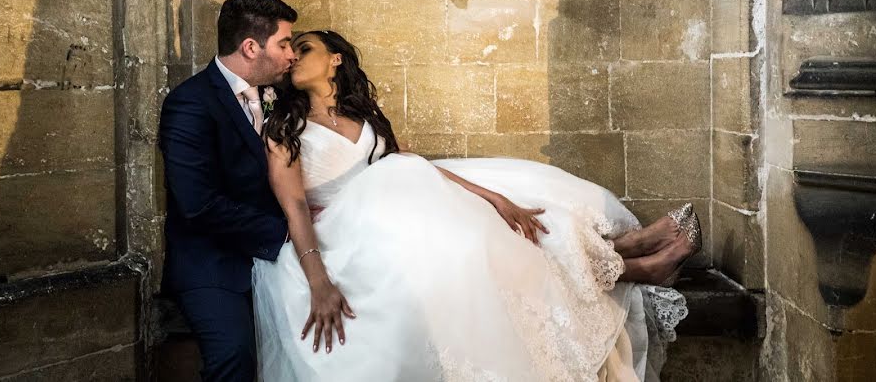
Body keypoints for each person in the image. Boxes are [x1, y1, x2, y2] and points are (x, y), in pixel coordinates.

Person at [253, 30, 701, 381]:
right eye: (290, 48)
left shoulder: (364, 114)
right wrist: (318, 280)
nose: (293, 56)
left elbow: (414, 167)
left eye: (304, 47)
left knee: (514, 218)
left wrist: (495, 198)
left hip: (407, 207)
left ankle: (628, 249)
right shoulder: (285, 127)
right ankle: (634, 266)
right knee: (475, 249)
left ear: (335, 59)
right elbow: (293, 206)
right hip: (353, 234)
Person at [158, 0, 298, 381]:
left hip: (276, 258)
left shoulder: (280, 94)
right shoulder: (190, 103)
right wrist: (286, 231)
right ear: (251, 47)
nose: (292, 54)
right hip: (214, 263)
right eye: (284, 43)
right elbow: (197, 204)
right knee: (235, 358)